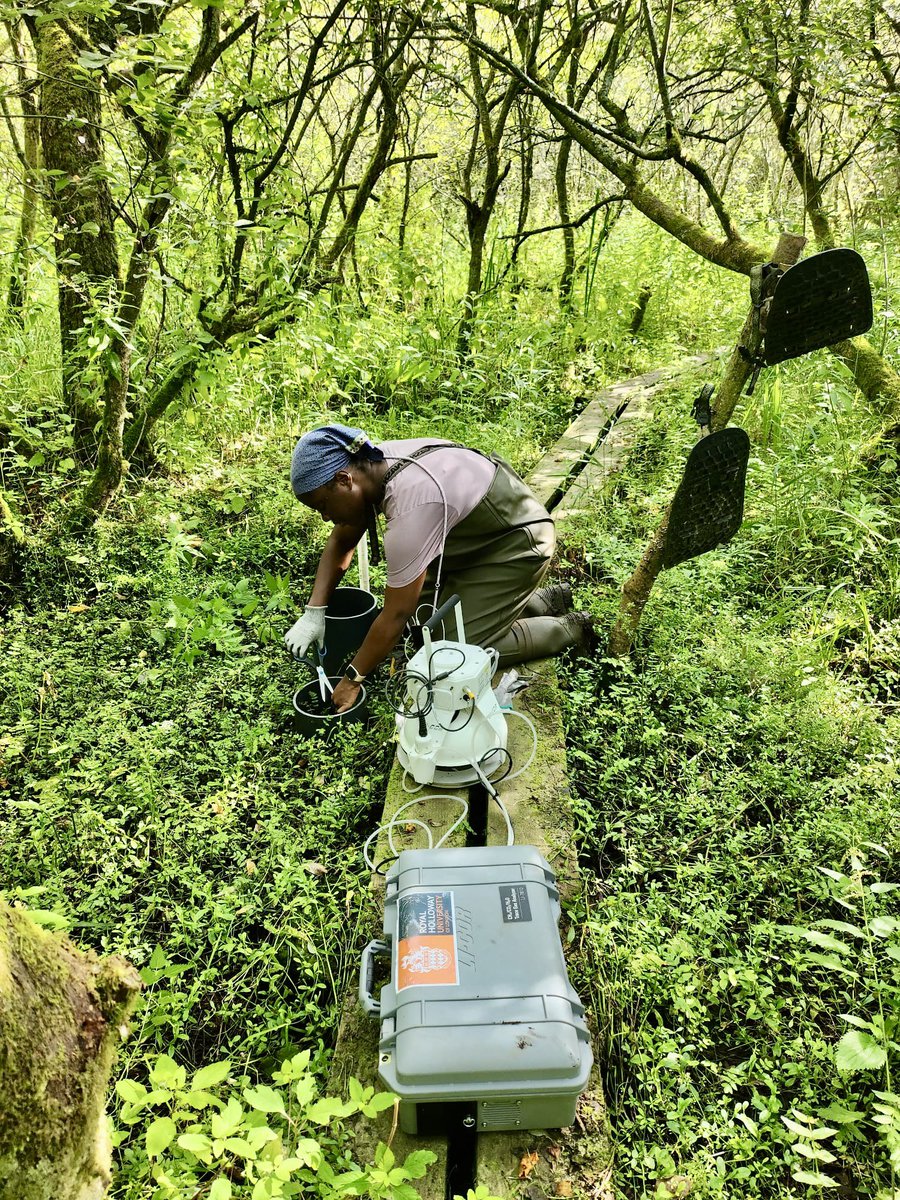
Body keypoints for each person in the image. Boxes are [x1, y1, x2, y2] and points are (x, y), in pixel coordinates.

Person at [285, 423, 594, 711]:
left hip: (519, 545)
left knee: (449, 652)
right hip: (477, 539)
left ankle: (571, 630)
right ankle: (548, 600)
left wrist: (353, 678)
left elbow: (395, 613)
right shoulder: (374, 463)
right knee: (424, 628)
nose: (325, 518)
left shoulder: (411, 505)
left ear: (344, 480)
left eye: (322, 506)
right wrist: (314, 613)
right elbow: (342, 540)